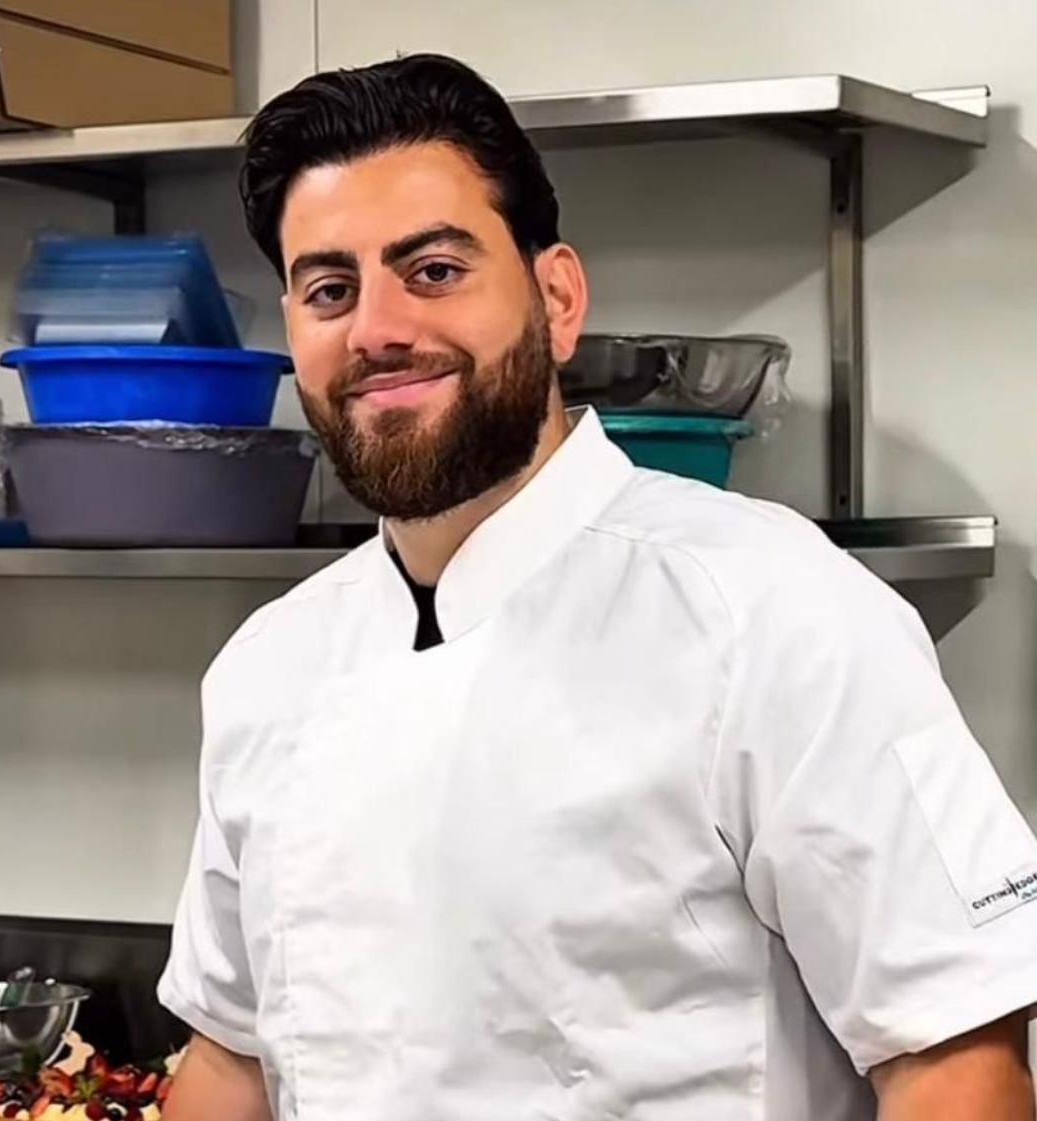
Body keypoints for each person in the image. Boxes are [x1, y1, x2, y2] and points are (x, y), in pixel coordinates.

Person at [157, 54, 1037, 1121]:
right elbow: (229, 1060)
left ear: (556, 298)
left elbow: (953, 1067)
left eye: (432, 269)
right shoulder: (267, 666)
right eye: (330, 288)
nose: (378, 328)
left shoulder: (773, 610)